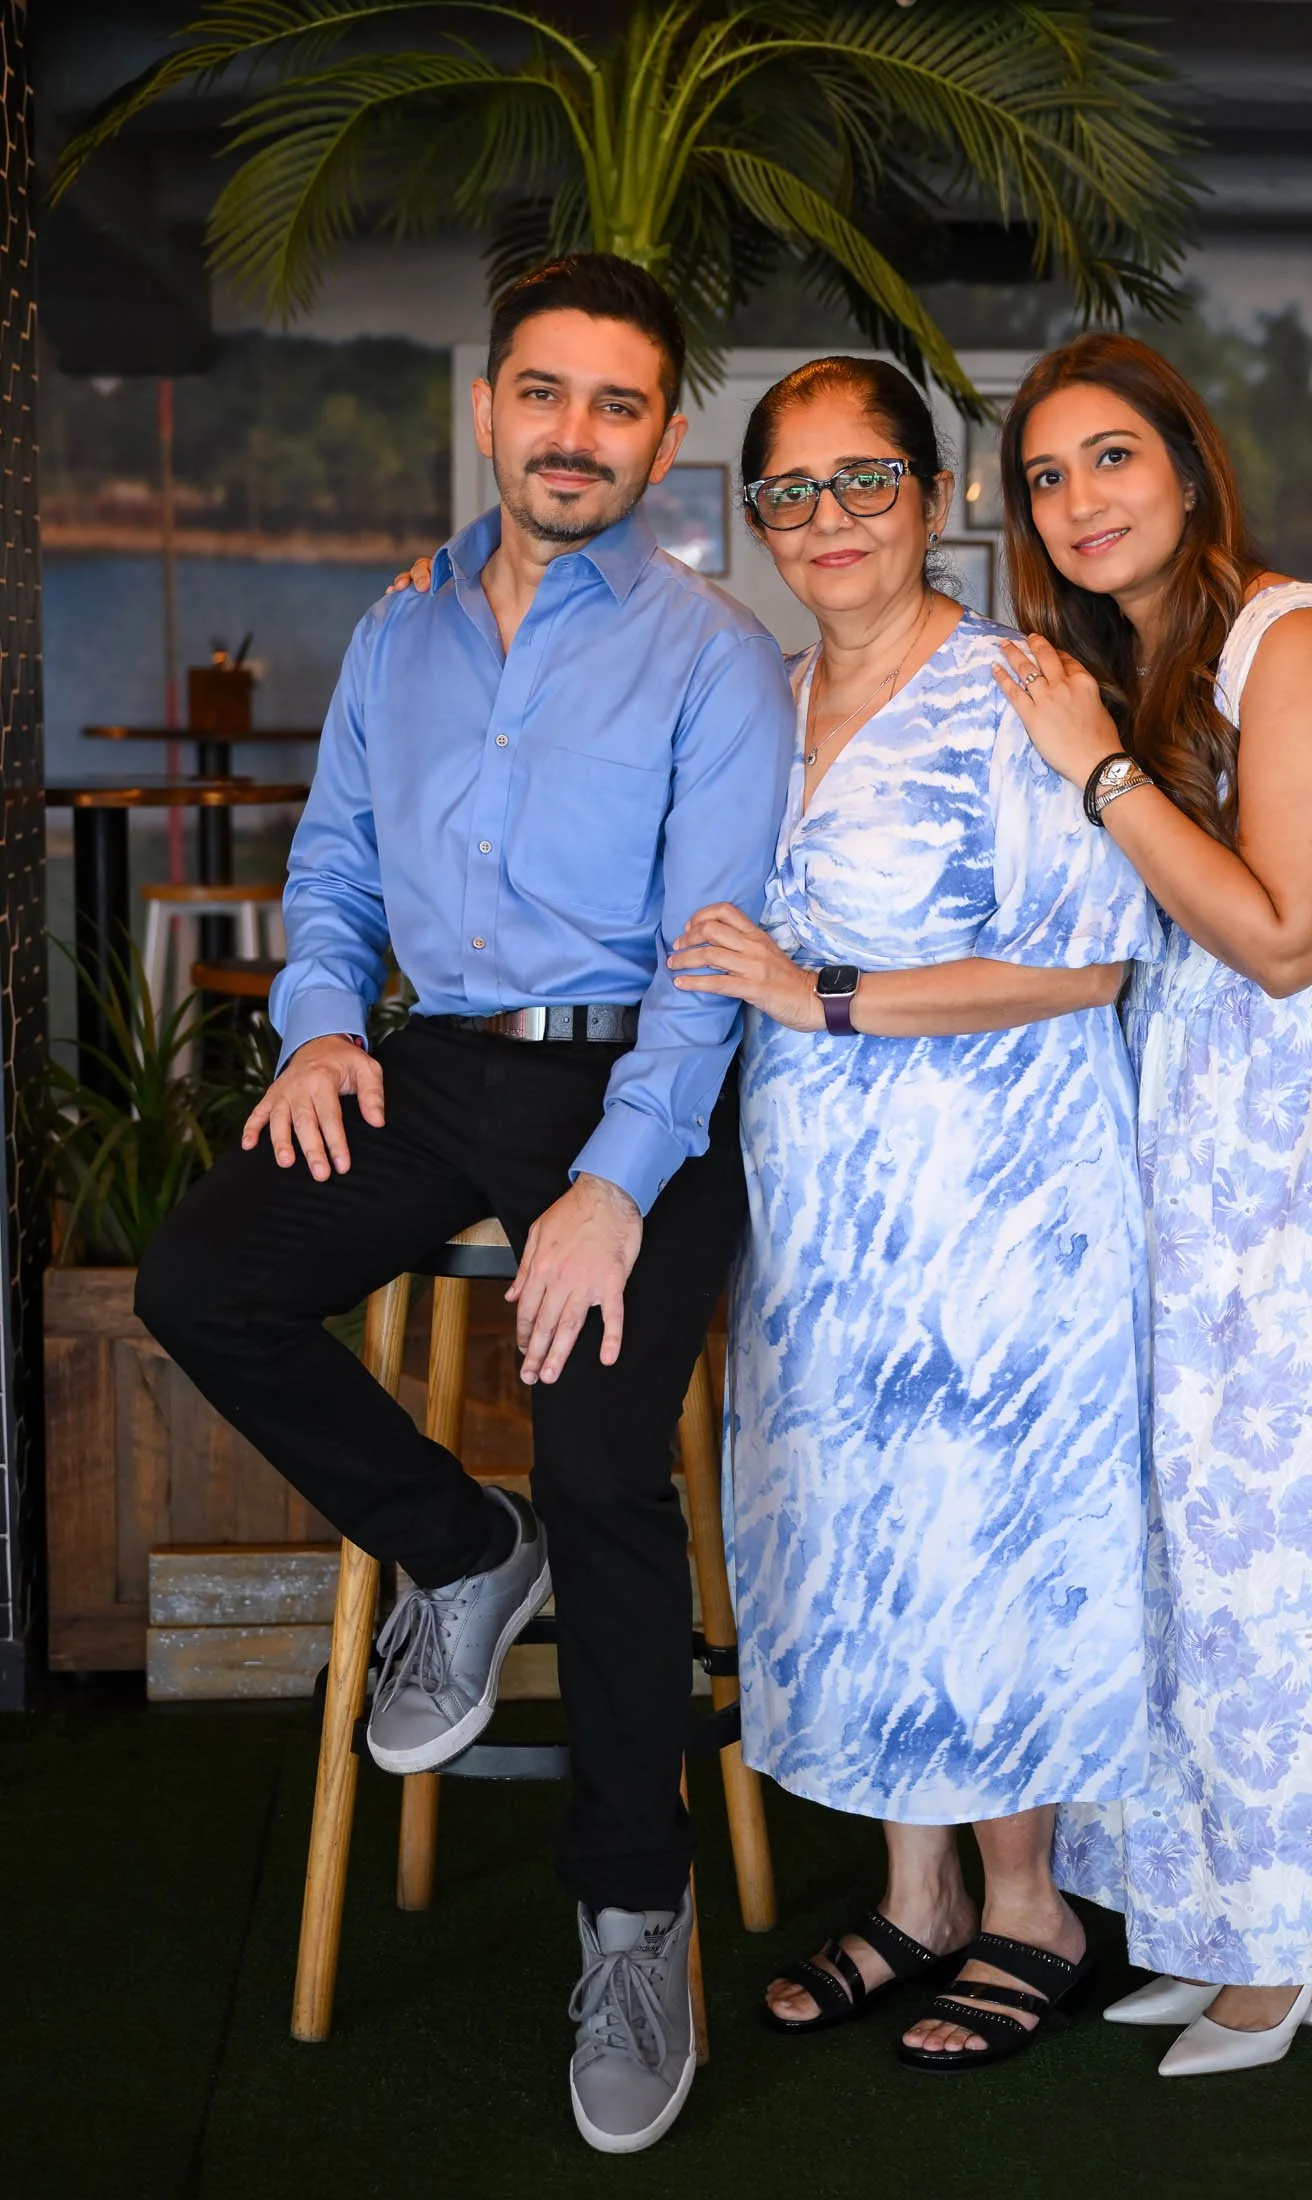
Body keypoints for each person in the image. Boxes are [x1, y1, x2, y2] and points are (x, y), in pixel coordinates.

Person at [134, 253, 792, 2154]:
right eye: (541, 392)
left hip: (639, 1080)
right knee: (205, 1278)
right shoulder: (399, 627)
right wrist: (326, 1027)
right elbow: (333, 857)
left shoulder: (711, 653)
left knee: (605, 1461)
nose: (570, 433)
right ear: (489, 405)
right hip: (430, 1065)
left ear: (666, 435)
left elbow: (710, 952)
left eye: (614, 403)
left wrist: (613, 1183)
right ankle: (450, 1543)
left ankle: (628, 1912)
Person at [989, 333, 1312, 2077]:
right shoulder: (1125, 665)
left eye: (1112, 458)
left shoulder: (1290, 641)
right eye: (1048, 476)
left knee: (1301, 1534)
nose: (1080, 500)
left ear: (1192, 470)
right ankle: (1223, 1906)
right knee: (1195, 1537)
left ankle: (1310, 1932)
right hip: (1195, 1135)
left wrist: (1101, 773)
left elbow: (1289, 939)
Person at [666, 356, 1160, 2071]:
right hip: (820, 1210)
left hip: (1001, 1196)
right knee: (868, 1533)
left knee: (990, 1529)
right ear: (757, 521)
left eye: (863, 480)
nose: (828, 522)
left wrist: (831, 996)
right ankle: (916, 1895)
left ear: (935, 494)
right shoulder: (765, 698)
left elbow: (1093, 959)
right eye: (790, 493)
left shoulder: (1014, 687)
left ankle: (1033, 1906)